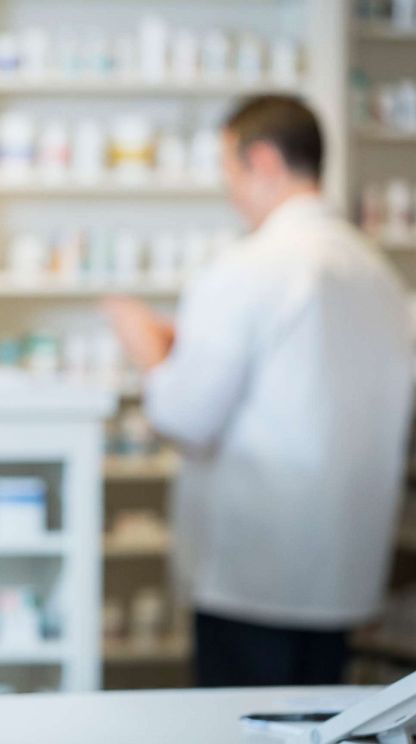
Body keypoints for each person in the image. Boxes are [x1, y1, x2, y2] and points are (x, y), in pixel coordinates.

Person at [105, 95, 414, 687]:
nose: (229, 189)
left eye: (228, 168)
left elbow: (185, 417)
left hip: (254, 577)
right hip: (341, 573)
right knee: (321, 720)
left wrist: (148, 348)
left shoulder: (252, 267)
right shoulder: (375, 271)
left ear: (264, 160)